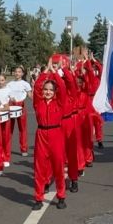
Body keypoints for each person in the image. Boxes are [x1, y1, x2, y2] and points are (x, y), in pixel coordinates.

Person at [31, 64, 76, 210]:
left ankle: (61, 196)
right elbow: (37, 87)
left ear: (55, 91)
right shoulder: (38, 102)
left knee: (58, 167)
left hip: (56, 134)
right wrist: (45, 73)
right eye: (46, 89)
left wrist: (55, 72)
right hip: (41, 135)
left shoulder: (60, 101)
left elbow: (63, 87)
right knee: (39, 168)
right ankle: (38, 197)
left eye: (50, 90)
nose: (47, 92)